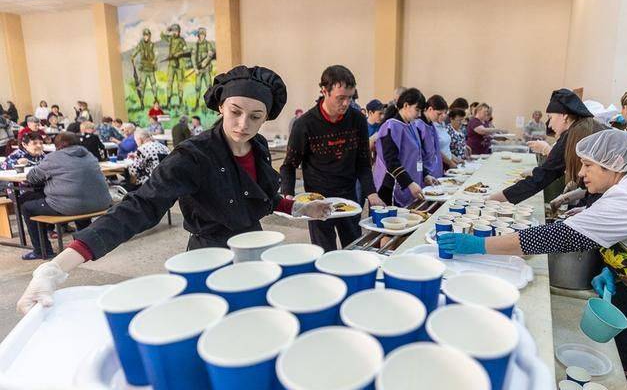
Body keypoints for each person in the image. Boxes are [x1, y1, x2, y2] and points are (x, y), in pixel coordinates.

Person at [439, 129, 627, 390]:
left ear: (614, 164)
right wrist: (620, 273)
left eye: (588, 165)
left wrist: (480, 244)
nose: (581, 173)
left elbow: (557, 237)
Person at [16, 65, 333, 312]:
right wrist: (57, 268)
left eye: (255, 116)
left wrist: (298, 208)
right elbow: (140, 206)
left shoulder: (258, 146)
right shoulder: (193, 156)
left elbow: (257, 195)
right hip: (209, 259)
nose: (242, 125)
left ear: (266, 118)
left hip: (255, 250)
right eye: (235, 111)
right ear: (221, 106)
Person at [280, 65, 385, 251]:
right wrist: (289, 196)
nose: (346, 103)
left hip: (348, 198)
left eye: (350, 97)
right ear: (324, 91)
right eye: (340, 98)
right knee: (324, 251)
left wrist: (371, 192)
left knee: (353, 248)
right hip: (317, 201)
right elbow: (288, 165)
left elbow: (363, 162)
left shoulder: (357, 120)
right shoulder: (305, 124)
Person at [489, 89, 606, 206]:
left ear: (564, 116)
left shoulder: (572, 135)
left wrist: (492, 199)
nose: (549, 124)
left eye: (550, 117)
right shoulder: (584, 127)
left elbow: (540, 179)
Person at [21, 132, 112, 260]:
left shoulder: (54, 157)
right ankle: (87, 242)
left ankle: (42, 251)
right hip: (101, 202)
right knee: (76, 196)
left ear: (57, 146)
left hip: (73, 205)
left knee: (27, 206)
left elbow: (32, 177)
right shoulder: (88, 155)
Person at [374, 88, 439, 206]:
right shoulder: (391, 126)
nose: (419, 115)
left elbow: (415, 157)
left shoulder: (412, 126)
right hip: (391, 186)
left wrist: (425, 175)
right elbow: (391, 162)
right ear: (406, 105)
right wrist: (409, 183)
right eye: (417, 110)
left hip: (408, 183)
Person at [413, 94, 449, 179]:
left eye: (444, 113)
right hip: (425, 173)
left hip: (435, 170)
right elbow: (418, 154)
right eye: (439, 114)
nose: (442, 116)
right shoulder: (419, 125)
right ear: (430, 109)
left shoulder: (431, 124)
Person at [131, 28, 158, 109]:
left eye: (147, 35)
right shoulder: (141, 44)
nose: (146, 37)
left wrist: (154, 60)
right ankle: (142, 102)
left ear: (149, 36)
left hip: (151, 68)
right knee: (142, 86)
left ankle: (156, 101)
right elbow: (136, 50)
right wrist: (132, 56)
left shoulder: (152, 44)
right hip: (143, 69)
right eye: (145, 35)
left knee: (153, 85)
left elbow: (156, 53)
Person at [193, 27, 215, 110]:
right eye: (200, 35)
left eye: (203, 35)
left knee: (209, 87)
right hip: (199, 70)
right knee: (197, 87)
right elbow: (193, 57)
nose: (201, 36)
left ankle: (211, 105)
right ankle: (197, 104)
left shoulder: (208, 44)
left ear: (205, 35)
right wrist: (195, 68)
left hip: (206, 69)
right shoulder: (196, 45)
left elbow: (210, 54)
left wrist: (205, 62)